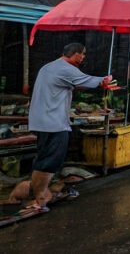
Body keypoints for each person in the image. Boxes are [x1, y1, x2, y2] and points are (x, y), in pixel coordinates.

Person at [25, 42, 111, 212]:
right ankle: (39, 199)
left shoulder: (49, 67)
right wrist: (105, 80)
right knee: (50, 161)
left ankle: (37, 195)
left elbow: (76, 83)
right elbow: (88, 80)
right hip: (53, 123)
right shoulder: (66, 68)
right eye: (83, 54)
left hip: (42, 121)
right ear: (76, 54)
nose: (84, 58)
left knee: (43, 159)